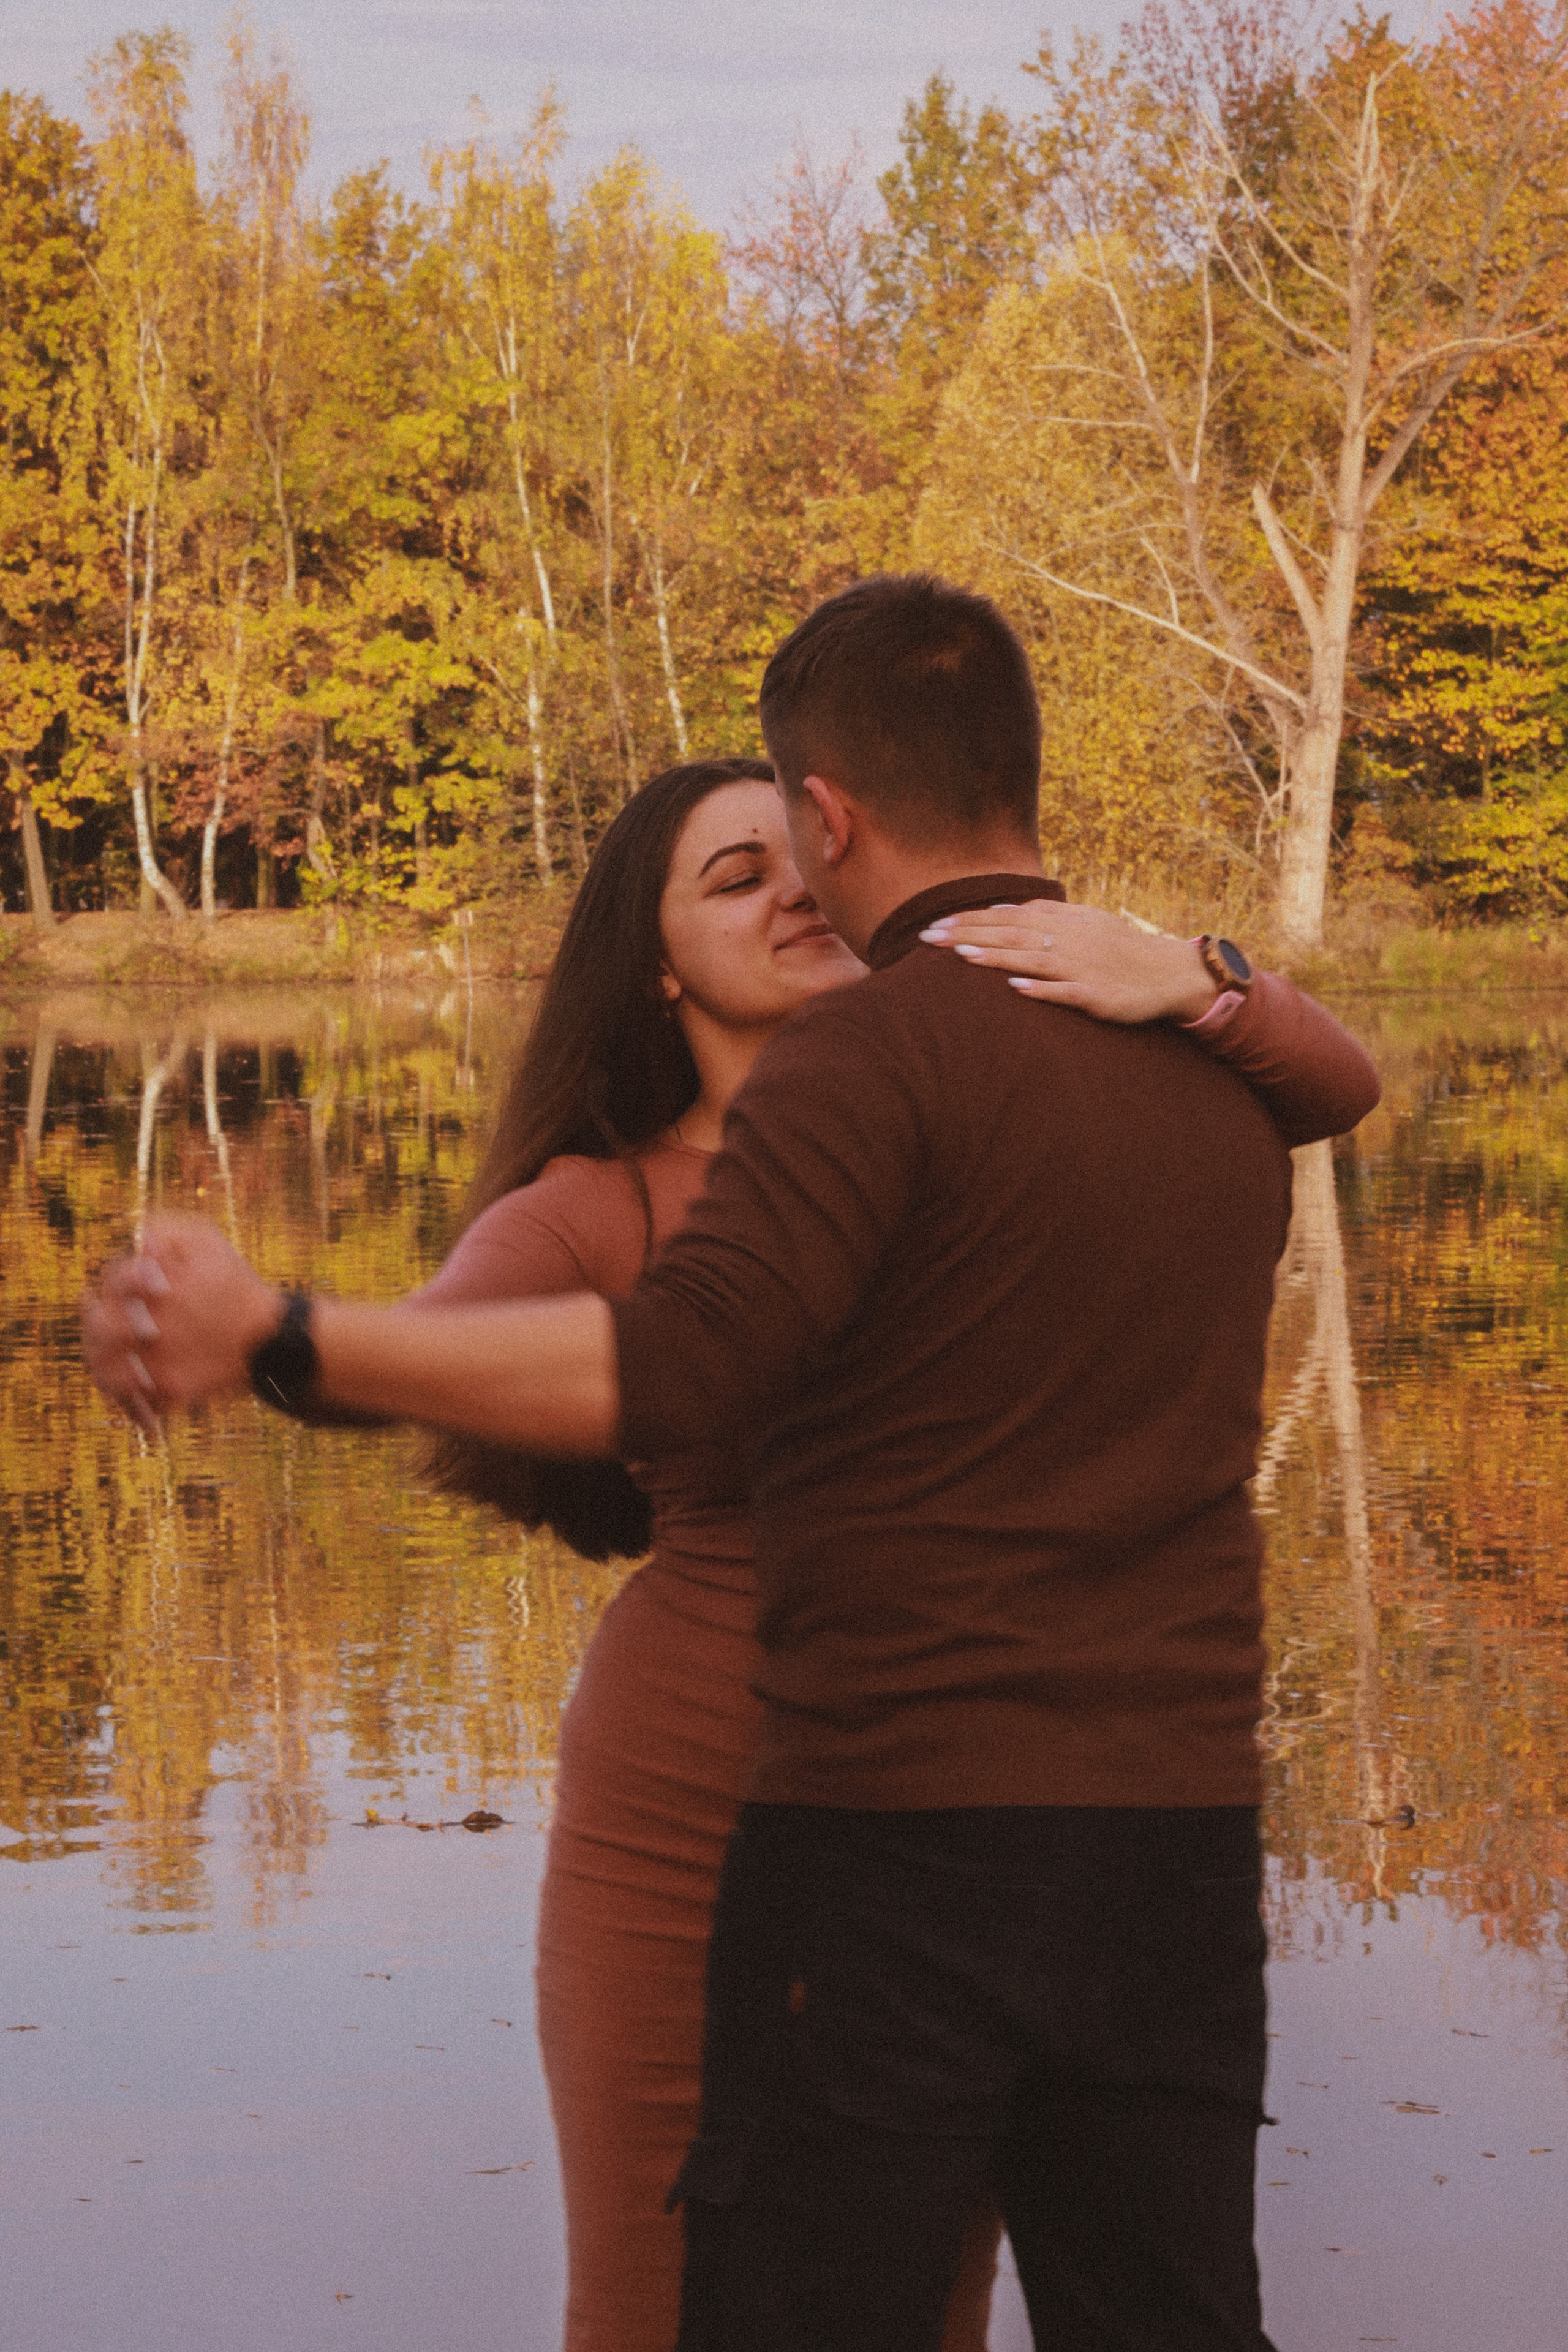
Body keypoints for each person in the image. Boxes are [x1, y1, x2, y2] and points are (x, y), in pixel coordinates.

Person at [83, 576, 1381, 2352]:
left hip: (915, 1805)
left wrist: (1209, 976)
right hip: (775, 1795)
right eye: (731, 874)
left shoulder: (988, 1064)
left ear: (842, 820)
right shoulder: (617, 1192)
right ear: (652, 956)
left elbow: (1330, 1078)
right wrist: (296, 1339)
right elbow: (473, 1347)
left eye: (793, 850)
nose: (792, 891)